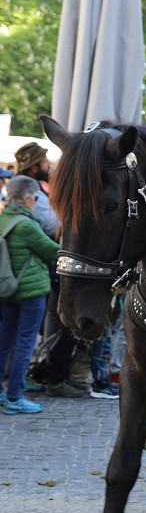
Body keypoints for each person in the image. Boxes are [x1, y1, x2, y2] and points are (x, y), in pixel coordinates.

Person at [0, 175, 61, 414]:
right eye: (36, 198)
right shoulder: (27, 224)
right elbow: (53, 251)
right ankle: (15, 397)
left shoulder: (3, 219)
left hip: (7, 289)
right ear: (27, 198)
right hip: (31, 292)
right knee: (25, 344)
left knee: (4, 341)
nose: (36, 202)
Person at [13, 141, 59, 238]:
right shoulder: (30, 190)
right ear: (34, 168)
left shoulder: (16, 185)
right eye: (45, 161)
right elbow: (56, 229)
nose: (49, 164)